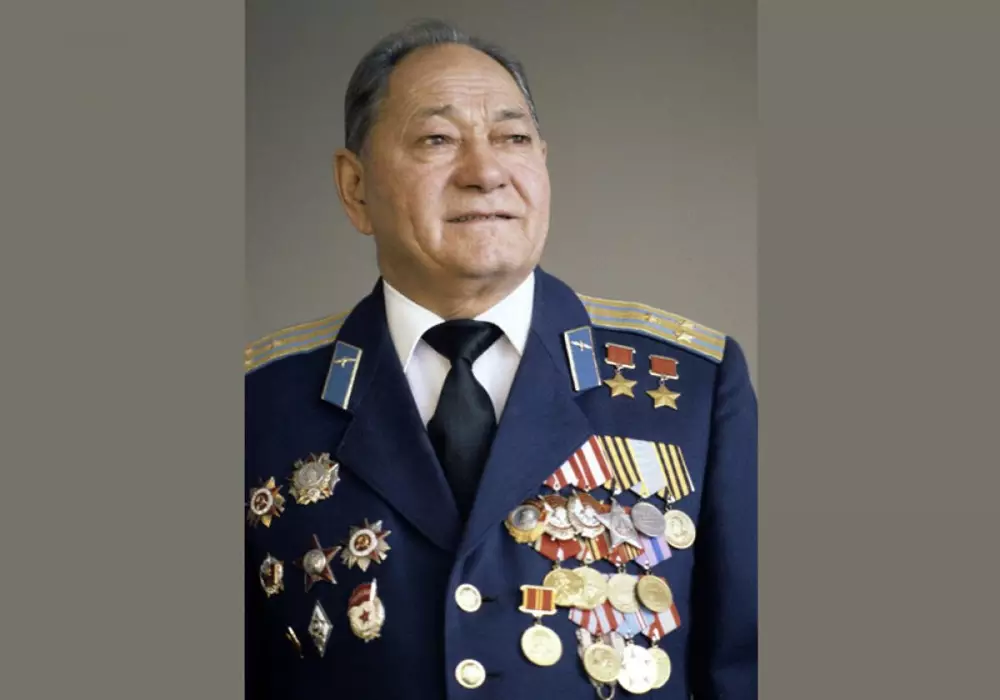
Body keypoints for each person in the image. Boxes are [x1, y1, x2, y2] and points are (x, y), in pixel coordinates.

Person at [245, 19, 756, 700]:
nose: (485, 173)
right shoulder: (257, 405)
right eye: (437, 139)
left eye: (513, 139)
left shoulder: (696, 390)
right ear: (355, 187)